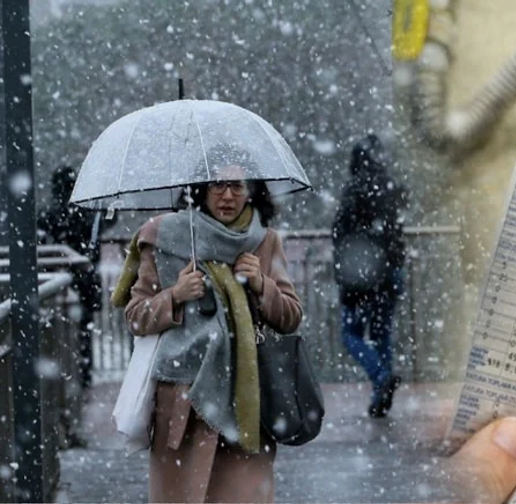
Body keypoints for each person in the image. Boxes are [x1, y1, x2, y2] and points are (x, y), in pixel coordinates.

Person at [112, 151, 303, 503]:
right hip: (184, 405)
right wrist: (175, 295)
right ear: (200, 189)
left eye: (237, 185)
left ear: (251, 191)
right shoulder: (164, 236)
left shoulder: (264, 241)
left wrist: (261, 284)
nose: (227, 196)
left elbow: (290, 316)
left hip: (246, 399)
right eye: (218, 185)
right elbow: (135, 315)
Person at [332, 134, 408, 418]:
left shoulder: (354, 189)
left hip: (360, 273)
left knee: (351, 333)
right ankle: (380, 395)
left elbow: (340, 232)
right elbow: (395, 232)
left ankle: (379, 377)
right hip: (390, 271)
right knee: (381, 333)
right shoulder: (389, 188)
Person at [37, 165, 109, 390]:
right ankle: (84, 375)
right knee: (83, 331)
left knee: (60, 333)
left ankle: (68, 379)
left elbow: (43, 233)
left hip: (59, 283)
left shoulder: (50, 215)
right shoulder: (86, 214)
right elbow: (106, 222)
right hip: (84, 280)